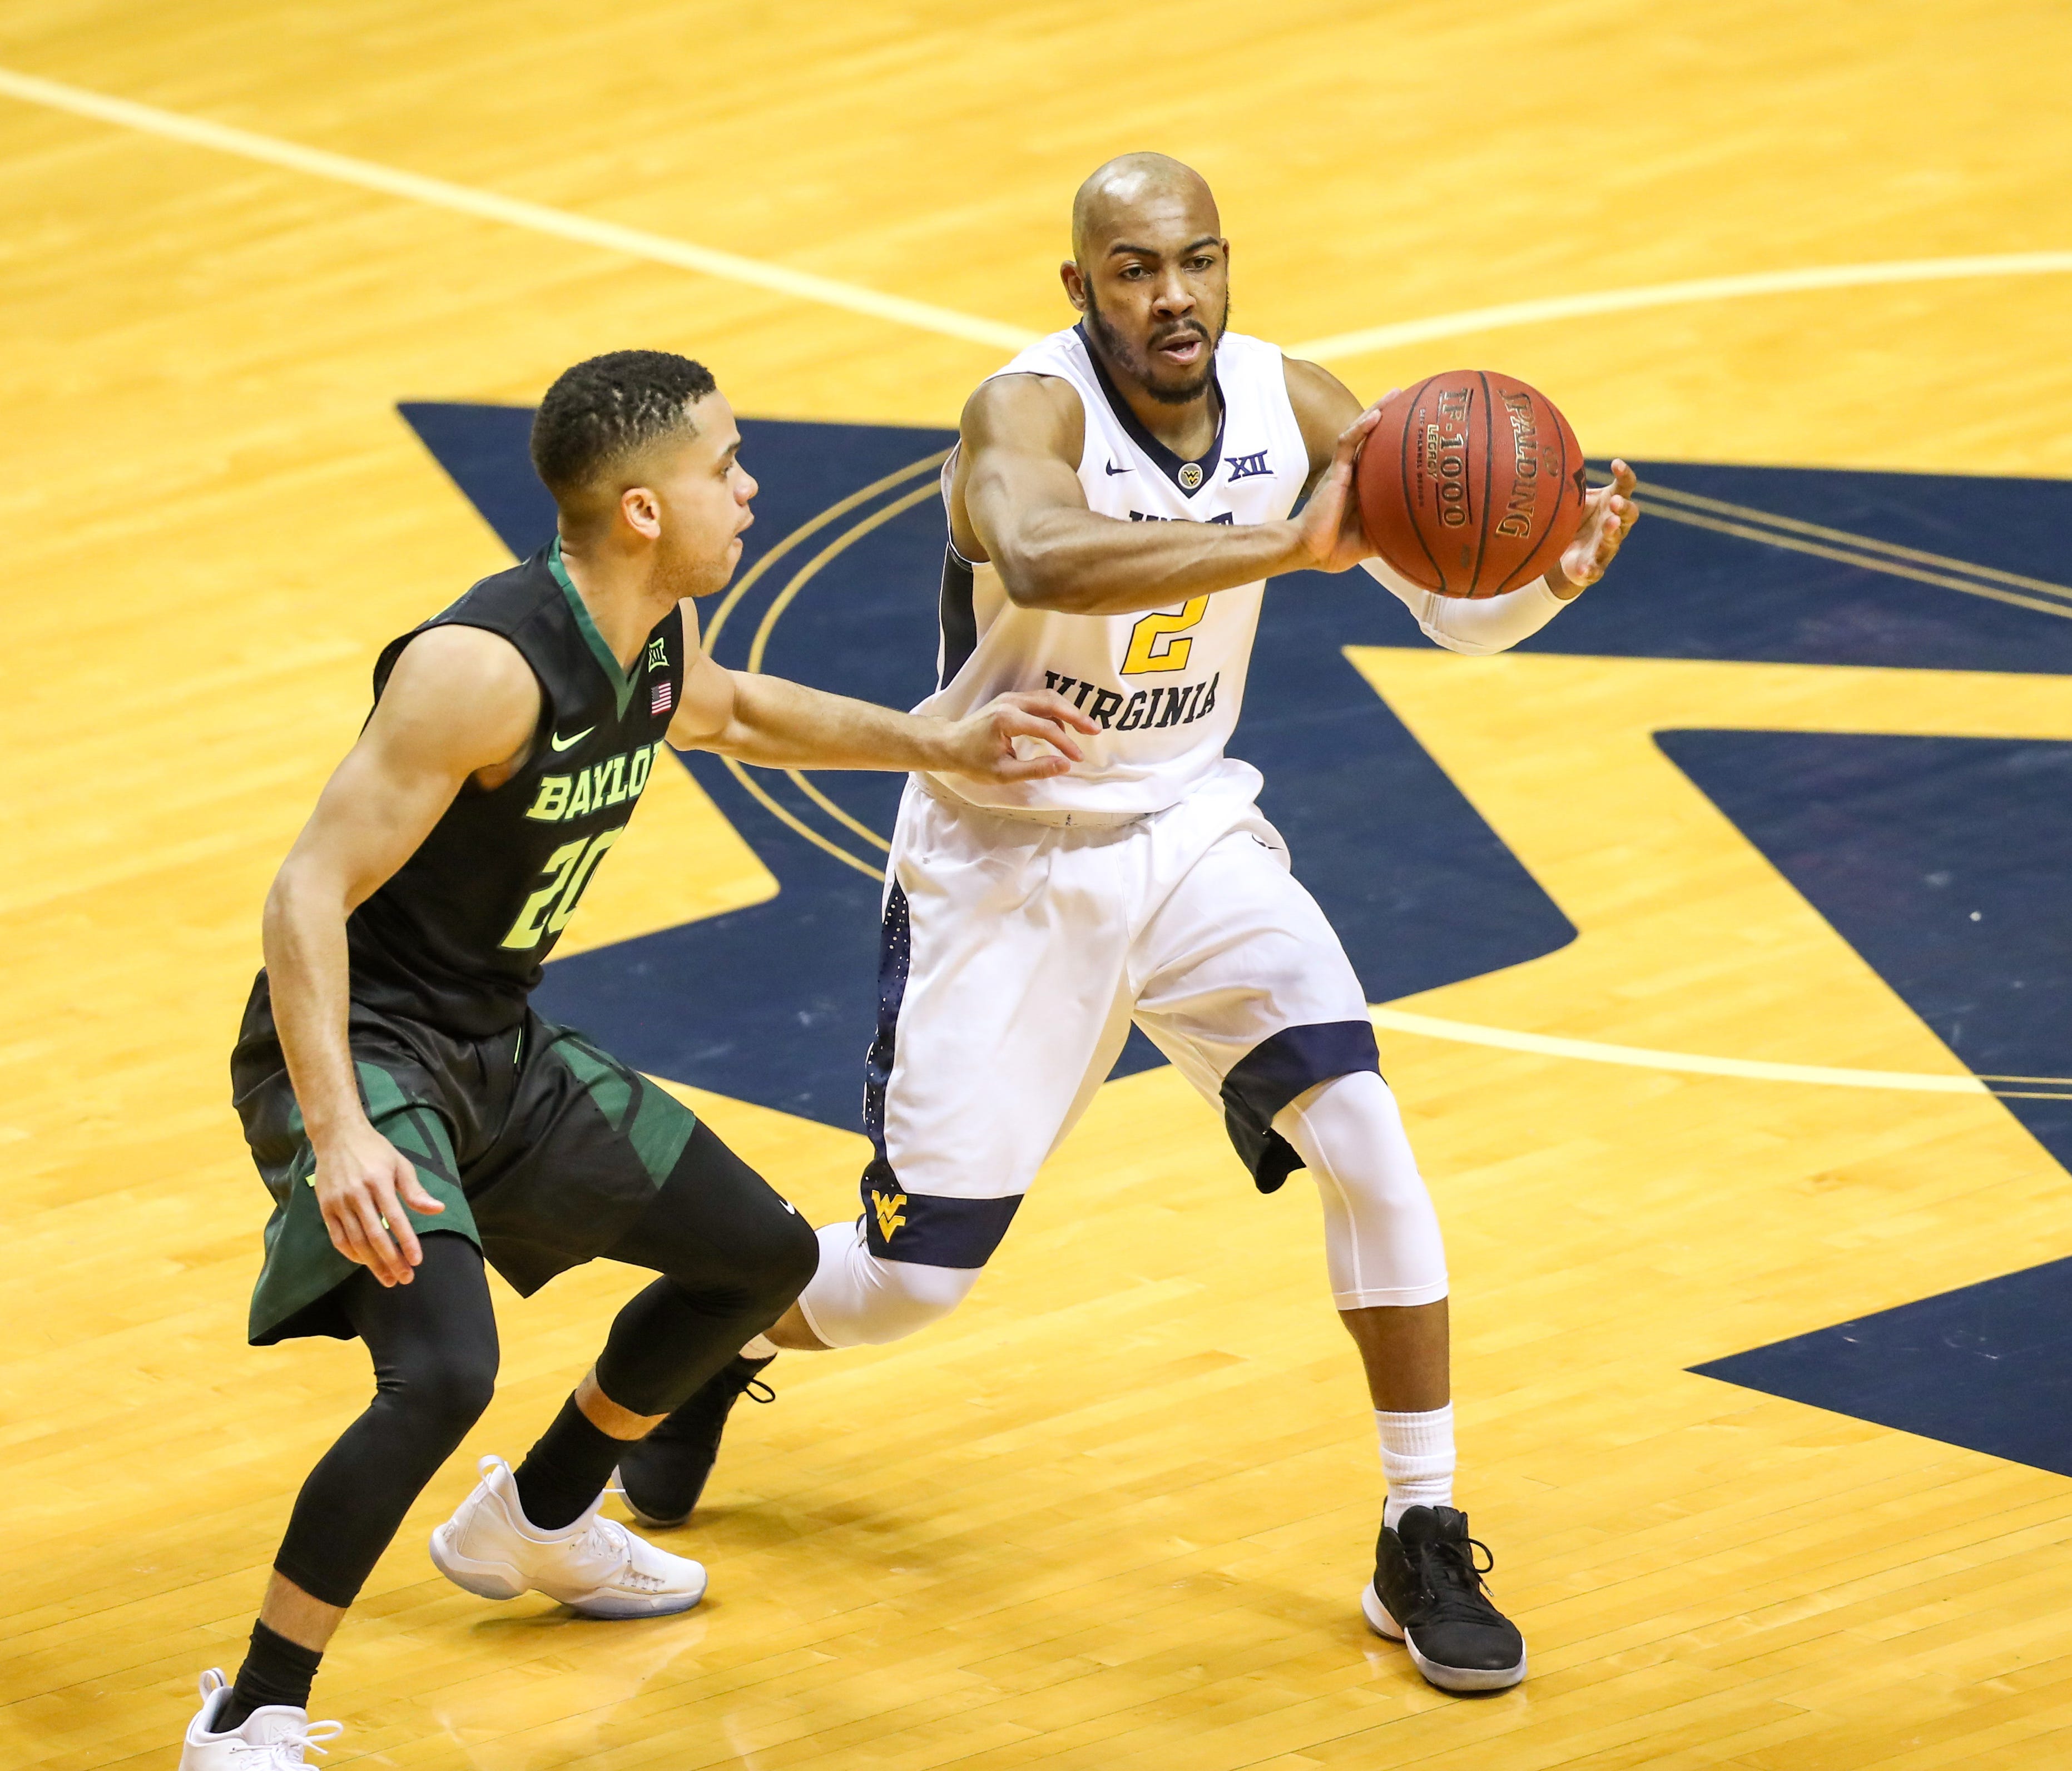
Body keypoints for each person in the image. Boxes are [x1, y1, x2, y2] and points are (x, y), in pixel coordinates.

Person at [619, 157, 1640, 1696]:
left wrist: (1542, 574)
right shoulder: (1017, 417)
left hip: (1186, 834)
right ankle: (724, 1337)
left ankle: (1415, 1528)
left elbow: (1448, 606)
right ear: (1078, 286)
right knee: (909, 1286)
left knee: (1363, 1132)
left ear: (1229, 269)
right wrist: (1282, 547)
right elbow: (1042, 555)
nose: (1172, 295)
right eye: (1133, 268)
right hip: (1003, 856)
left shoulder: (1294, 402)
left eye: (1198, 262)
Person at [178, 350, 1097, 1768]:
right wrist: (345, 1130)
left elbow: (725, 712)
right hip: (373, 1058)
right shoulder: (479, 672)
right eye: (722, 466)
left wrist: (939, 742)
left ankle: (540, 1517)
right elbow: (305, 894)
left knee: (762, 1255)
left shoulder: (651, 635)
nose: (749, 485)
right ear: (643, 510)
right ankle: (253, 1711)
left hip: (496, 1047)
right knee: (439, 1373)